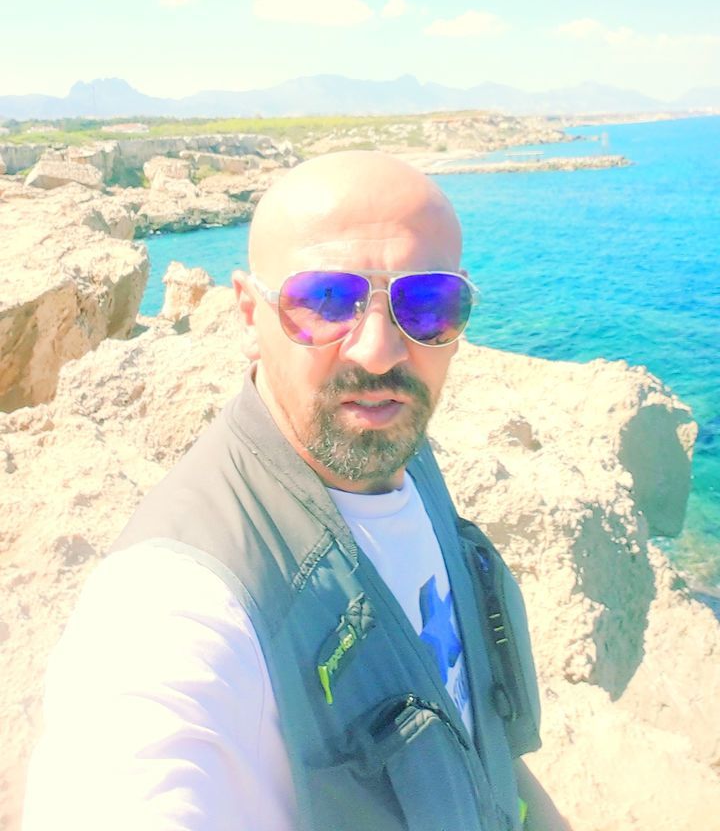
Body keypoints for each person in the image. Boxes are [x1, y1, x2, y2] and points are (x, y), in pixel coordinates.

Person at [23, 151, 569, 831]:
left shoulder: (401, 452)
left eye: (425, 305)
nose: (379, 351)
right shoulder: (185, 596)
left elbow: (477, 730)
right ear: (250, 315)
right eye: (325, 301)